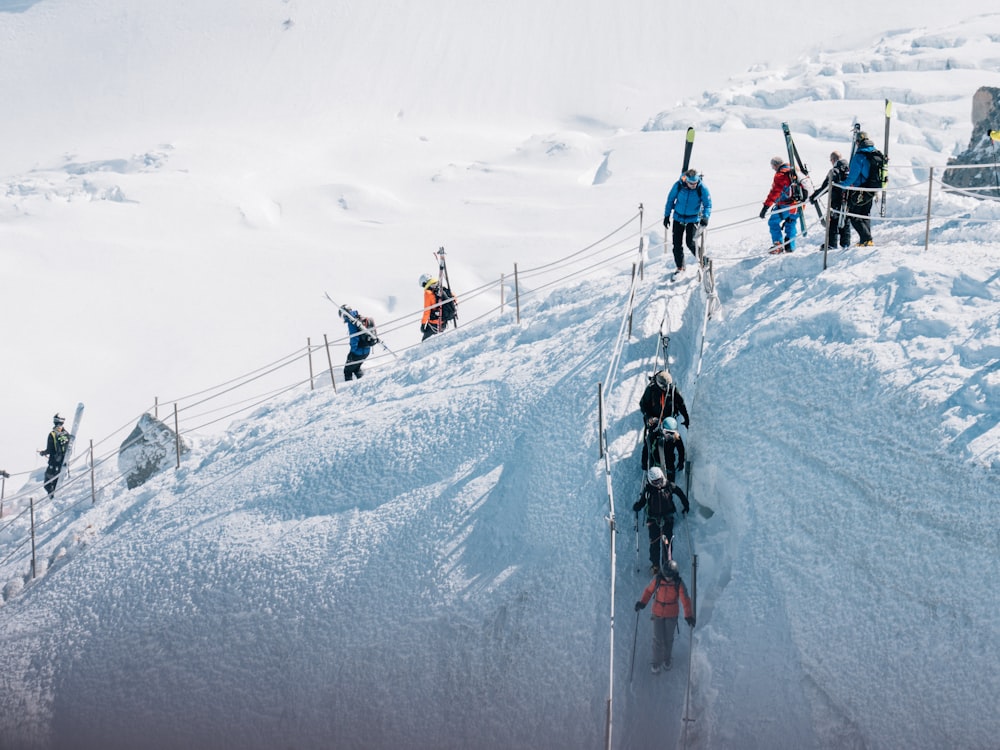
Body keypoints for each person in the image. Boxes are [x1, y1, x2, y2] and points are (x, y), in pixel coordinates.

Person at [634, 559, 695, 674]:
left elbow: (685, 600)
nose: (668, 578)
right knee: (657, 639)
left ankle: (667, 659)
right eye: (666, 575)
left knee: (668, 639)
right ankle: (656, 662)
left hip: (671, 615)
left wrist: (688, 616)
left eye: (670, 576)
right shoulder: (657, 580)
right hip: (657, 613)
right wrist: (642, 603)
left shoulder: (678, 584)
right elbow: (648, 591)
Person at [632, 466, 690, 572]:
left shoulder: (669, 486)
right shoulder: (648, 490)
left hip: (667, 518)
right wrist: (637, 506)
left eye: (659, 480)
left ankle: (666, 564)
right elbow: (642, 502)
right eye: (655, 482)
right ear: (650, 481)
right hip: (653, 519)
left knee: (667, 543)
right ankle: (655, 565)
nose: (658, 484)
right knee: (654, 543)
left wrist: (686, 505)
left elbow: (680, 493)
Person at [663, 169, 712, 274]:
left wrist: (705, 217)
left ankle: (703, 260)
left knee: (690, 242)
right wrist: (666, 216)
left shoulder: (701, 188)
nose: (693, 185)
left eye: (695, 183)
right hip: (678, 218)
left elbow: (707, 204)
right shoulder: (678, 185)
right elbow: (670, 200)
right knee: (677, 244)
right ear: (686, 181)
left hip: (693, 218)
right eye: (691, 183)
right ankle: (680, 268)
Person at [839, 132, 877, 247]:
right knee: (864, 213)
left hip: (860, 189)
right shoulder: (875, 153)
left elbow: (853, 176)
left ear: (858, 142)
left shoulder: (859, 156)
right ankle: (866, 240)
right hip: (872, 188)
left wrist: (843, 185)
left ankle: (866, 238)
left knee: (854, 215)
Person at [810, 151, 852, 250]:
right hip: (848, 199)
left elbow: (825, 187)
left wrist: (814, 196)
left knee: (833, 222)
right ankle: (845, 244)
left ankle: (831, 244)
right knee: (846, 221)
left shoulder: (834, 171)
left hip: (837, 200)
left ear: (833, 160)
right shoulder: (850, 168)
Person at [759, 156, 800, 254]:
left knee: (773, 222)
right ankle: (790, 245)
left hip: (786, 205)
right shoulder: (795, 170)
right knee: (791, 222)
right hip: (799, 205)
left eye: (772, 166)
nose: (773, 168)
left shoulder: (780, 175)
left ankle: (778, 245)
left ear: (776, 165)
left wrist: (765, 207)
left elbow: (775, 192)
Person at [641, 416, 685, 482]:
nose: (669, 436)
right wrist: (644, 463)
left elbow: (681, 449)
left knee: (669, 481)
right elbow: (646, 450)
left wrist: (681, 461)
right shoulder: (654, 436)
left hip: (669, 462)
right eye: (666, 432)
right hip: (656, 462)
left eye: (671, 433)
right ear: (662, 429)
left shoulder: (676, 437)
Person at [338, 305, 376, 381]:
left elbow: (354, 337)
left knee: (347, 371)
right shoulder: (360, 318)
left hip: (357, 352)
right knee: (356, 368)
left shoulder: (352, 321)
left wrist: (353, 351)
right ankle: (362, 382)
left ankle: (349, 388)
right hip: (366, 351)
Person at [38, 413, 71, 498]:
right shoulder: (67, 434)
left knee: (47, 484)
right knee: (57, 483)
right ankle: (55, 498)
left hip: (53, 463)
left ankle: (52, 498)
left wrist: (42, 453)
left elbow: (50, 450)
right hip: (62, 463)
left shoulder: (52, 434)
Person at [419, 274, 458, 340]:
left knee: (424, 341)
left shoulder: (428, 293)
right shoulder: (441, 287)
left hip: (434, 323)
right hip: (444, 322)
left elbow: (427, 311)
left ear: (424, 283)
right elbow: (454, 299)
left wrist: (423, 325)